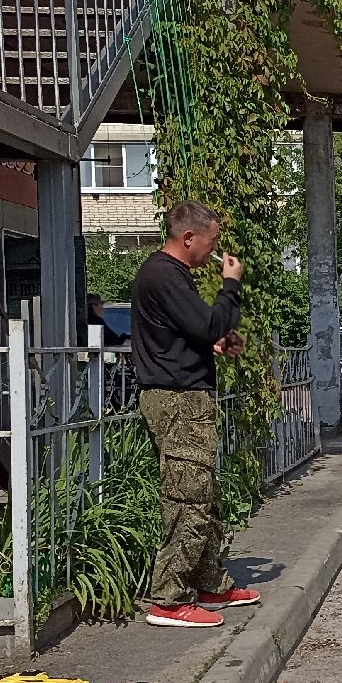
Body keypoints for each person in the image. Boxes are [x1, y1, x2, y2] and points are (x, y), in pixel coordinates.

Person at [131, 200, 252, 628]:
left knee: (204, 491)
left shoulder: (170, 275)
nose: (215, 252)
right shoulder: (165, 275)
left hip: (183, 395)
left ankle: (209, 583)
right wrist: (230, 285)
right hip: (177, 399)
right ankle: (167, 598)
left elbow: (191, 332)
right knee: (188, 498)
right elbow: (211, 324)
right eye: (212, 241)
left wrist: (213, 342)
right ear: (189, 238)